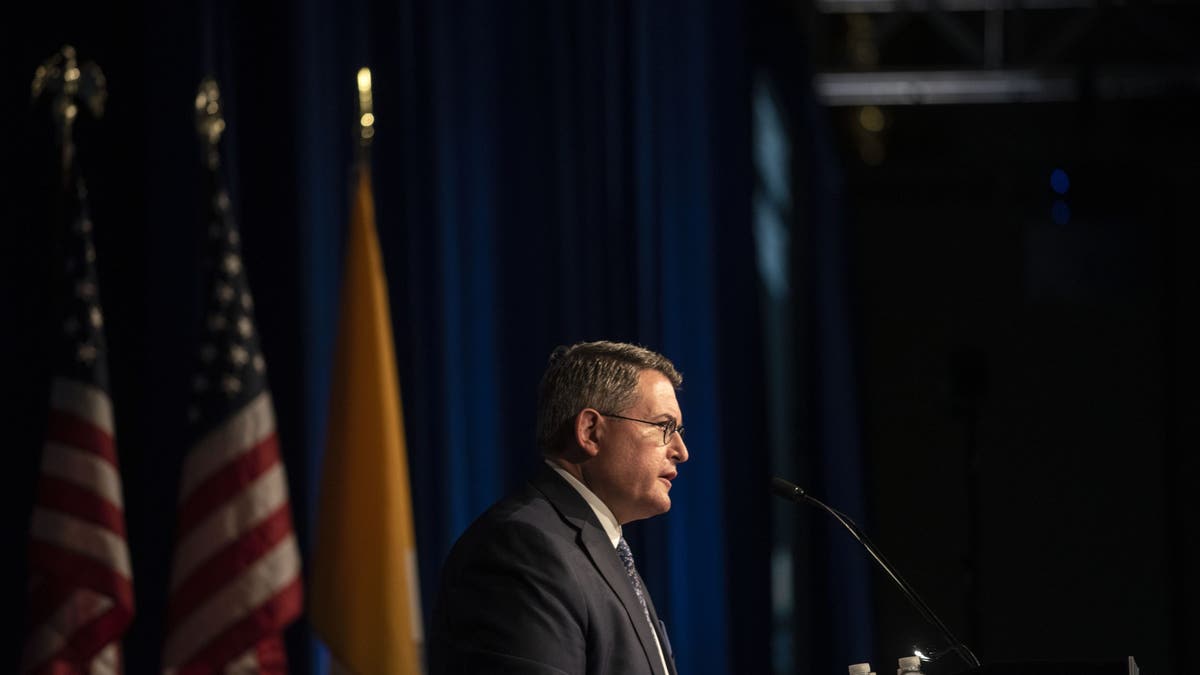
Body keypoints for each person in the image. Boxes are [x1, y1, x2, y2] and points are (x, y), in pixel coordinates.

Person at [430, 340, 688, 675]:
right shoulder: (523, 548)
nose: (681, 451)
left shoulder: (604, 551)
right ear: (590, 431)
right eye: (664, 427)